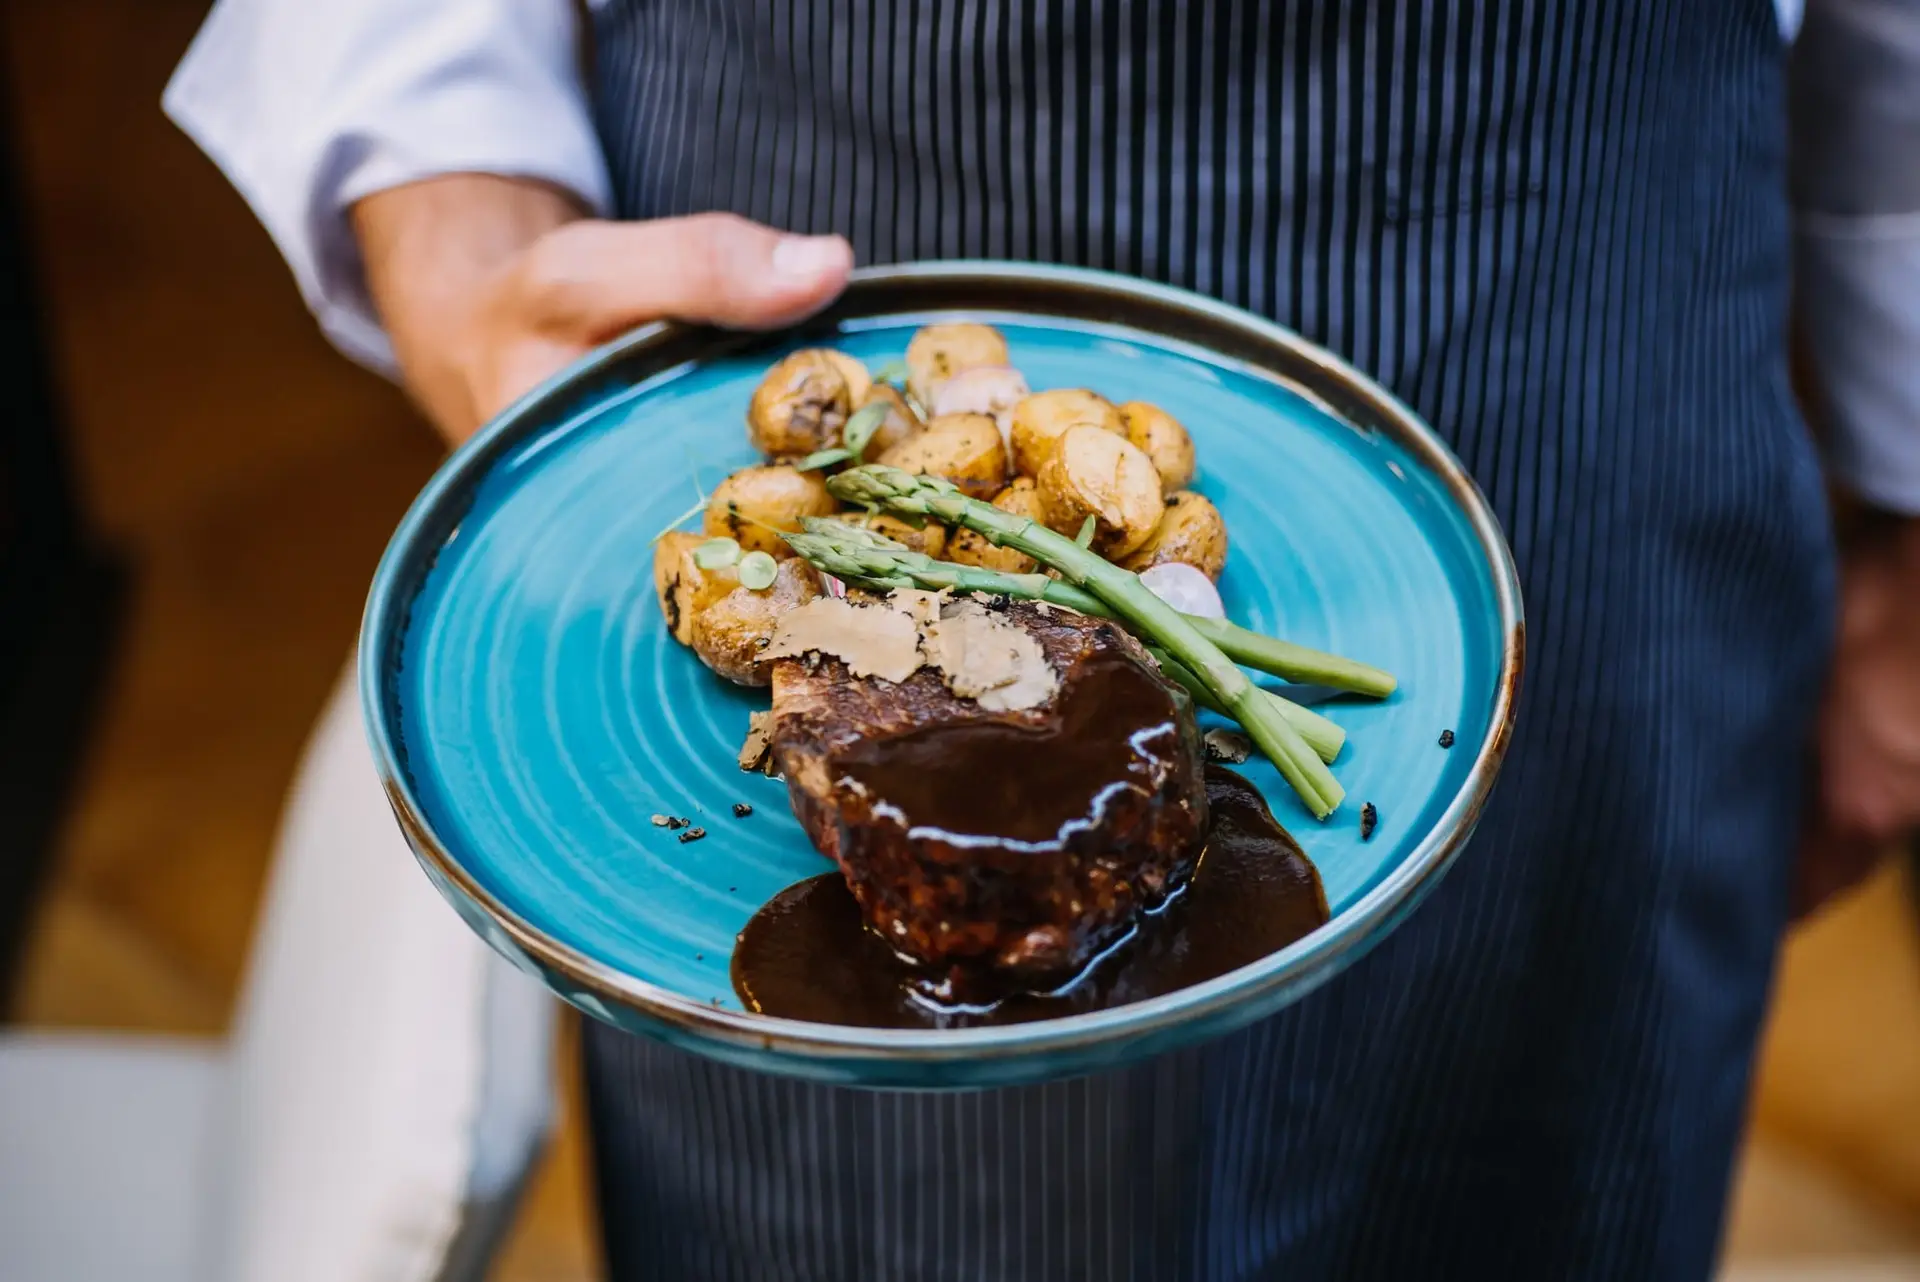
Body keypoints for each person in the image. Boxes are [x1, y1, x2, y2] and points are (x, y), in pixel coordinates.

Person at [163, 1, 1920, 1277]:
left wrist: (1910, 487)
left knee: (1524, 1187)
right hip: (823, 251)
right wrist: (449, 208)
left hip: (1572, 348)